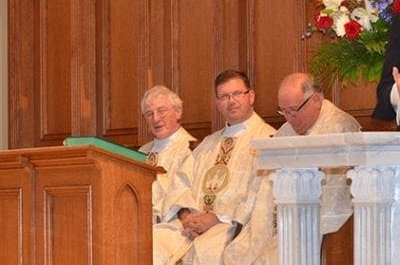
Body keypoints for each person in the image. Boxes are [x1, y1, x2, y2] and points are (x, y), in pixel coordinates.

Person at [223, 72, 361, 265]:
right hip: (283, 224)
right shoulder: (286, 132)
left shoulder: (340, 128)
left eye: (294, 110)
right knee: (235, 253)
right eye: (284, 112)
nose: (290, 118)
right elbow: (264, 188)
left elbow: (337, 197)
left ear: (316, 99)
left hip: (319, 229)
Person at [152, 70, 276, 265]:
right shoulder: (207, 144)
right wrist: (186, 216)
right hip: (189, 224)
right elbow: (182, 182)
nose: (231, 101)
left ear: (250, 96)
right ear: (218, 103)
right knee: (153, 244)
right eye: (224, 96)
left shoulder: (268, 141)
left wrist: (215, 218)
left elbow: (262, 197)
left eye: (237, 94)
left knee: (208, 253)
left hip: (232, 226)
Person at [139, 85, 197, 223]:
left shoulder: (191, 150)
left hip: (172, 223)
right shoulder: (141, 152)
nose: (156, 119)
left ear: (178, 112)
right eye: (149, 114)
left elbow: (183, 196)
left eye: (161, 111)